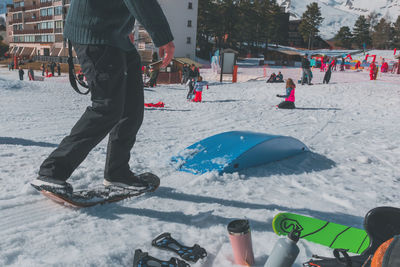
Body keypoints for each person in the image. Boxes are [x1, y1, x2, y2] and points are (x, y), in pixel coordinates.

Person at [31, 0, 175, 192]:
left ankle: (118, 173)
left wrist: (123, 27)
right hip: (96, 34)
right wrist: (163, 36)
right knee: (107, 108)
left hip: (116, 36)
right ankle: (52, 172)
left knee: (131, 110)